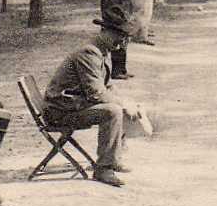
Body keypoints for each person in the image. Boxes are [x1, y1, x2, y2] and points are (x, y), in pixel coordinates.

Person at [43, 18, 147, 187]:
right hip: (60, 112)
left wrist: (127, 102)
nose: (122, 44)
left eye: (125, 39)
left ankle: (113, 159)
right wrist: (123, 105)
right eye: (120, 37)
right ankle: (104, 169)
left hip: (70, 106)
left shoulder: (99, 52)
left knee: (120, 106)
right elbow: (96, 93)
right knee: (112, 111)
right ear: (105, 32)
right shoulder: (89, 54)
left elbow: (106, 87)